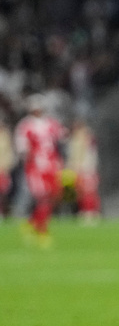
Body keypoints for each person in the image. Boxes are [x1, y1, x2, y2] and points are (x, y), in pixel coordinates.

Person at [14, 95, 67, 246]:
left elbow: (62, 137)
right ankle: (42, 231)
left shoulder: (51, 123)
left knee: (55, 195)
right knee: (42, 197)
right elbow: (22, 149)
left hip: (51, 165)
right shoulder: (25, 126)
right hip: (36, 168)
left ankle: (32, 224)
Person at [66, 119, 102, 222]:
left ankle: (91, 212)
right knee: (80, 192)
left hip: (87, 168)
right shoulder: (74, 140)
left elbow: (88, 155)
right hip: (80, 168)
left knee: (89, 191)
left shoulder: (87, 139)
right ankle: (84, 211)